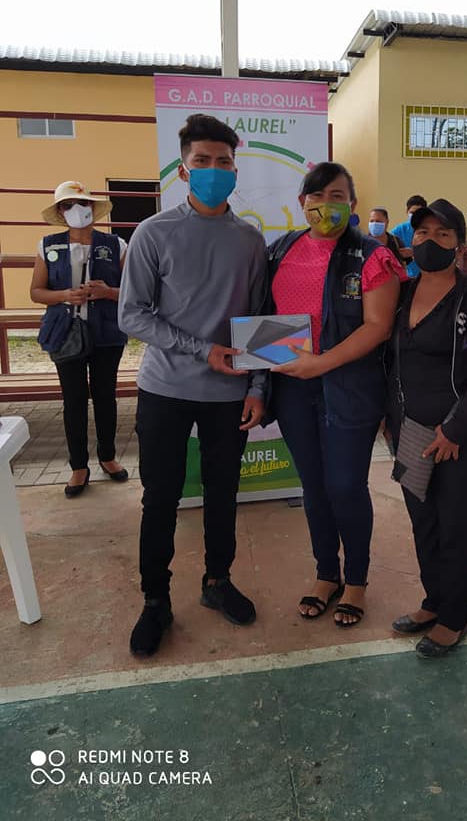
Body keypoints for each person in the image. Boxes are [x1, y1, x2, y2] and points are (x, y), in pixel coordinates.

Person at [118, 114, 267, 658]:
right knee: (160, 497)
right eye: (202, 161)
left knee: (223, 494)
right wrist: (203, 349)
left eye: (223, 162)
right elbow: (132, 314)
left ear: (235, 170)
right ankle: (155, 600)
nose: (213, 170)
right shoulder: (153, 233)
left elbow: (258, 320)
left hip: (229, 395)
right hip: (165, 389)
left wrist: (257, 387)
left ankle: (217, 581)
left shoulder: (250, 240)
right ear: (183, 171)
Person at [267, 162, 404, 628]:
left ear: (353, 203)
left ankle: (357, 581)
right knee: (313, 486)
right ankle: (326, 573)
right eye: (317, 195)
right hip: (292, 388)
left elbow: (378, 326)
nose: (326, 205)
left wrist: (320, 363)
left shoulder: (372, 256)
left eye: (338, 196)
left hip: (351, 388)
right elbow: (266, 316)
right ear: (302, 202)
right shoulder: (280, 250)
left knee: (345, 486)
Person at [387, 199, 467, 659]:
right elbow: (390, 361)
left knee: (457, 527)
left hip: (457, 437)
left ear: (458, 246)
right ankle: (433, 601)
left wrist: (455, 429)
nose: (429, 240)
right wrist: (389, 420)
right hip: (410, 433)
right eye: (422, 233)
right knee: (424, 523)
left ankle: (454, 618)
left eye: (442, 234)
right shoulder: (401, 292)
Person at [31, 181, 128, 497]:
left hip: (107, 334)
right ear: (60, 212)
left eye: (83, 203)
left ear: (93, 208)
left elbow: (135, 290)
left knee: (105, 397)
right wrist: (64, 295)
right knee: (73, 401)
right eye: (68, 204)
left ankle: (108, 456)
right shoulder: (47, 246)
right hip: (65, 334)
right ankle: (78, 466)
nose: (77, 210)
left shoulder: (116, 245)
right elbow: (36, 292)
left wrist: (108, 292)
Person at [390, 195, 427, 278]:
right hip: (405, 278)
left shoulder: (430, 230)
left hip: (427, 277)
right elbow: (387, 247)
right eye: (412, 213)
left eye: (418, 213)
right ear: (407, 211)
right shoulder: (400, 230)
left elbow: (434, 253)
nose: (415, 216)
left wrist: (415, 252)